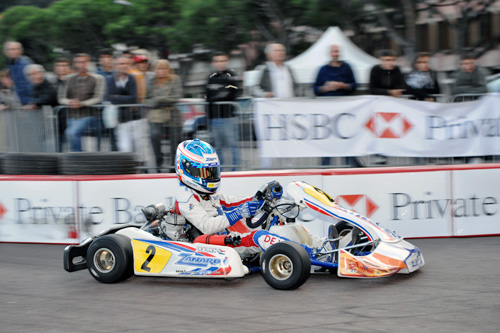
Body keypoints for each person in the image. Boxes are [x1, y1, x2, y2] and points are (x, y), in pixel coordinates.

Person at [175, 139, 288, 258]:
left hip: (224, 239)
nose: (210, 176)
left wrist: (262, 198)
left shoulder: (206, 194)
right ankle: (301, 254)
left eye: (212, 171)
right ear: (187, 170)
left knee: (274, 228)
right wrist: (239, 213)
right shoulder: (186, 197)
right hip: (213, 245)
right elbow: (207, 226)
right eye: (205, 172)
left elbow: (231, 202)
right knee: (260, 237)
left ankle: (302, 250)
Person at [313, 44, 360, 168]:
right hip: (327, 110)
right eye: (334, 51)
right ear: (330, 53)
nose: (336, 53)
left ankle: (349, 165)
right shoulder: (323, 69)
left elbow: (354, 85)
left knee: (346, 136)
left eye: (337, 51)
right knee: (328, 138)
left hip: (344, 110)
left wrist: (342, 85)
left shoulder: (347, 68)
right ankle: (325, 166)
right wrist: (326, 88)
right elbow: (316, 88)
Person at [58, 53, 105, 152]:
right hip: (71, 114)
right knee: (71, 137)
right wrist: (70, 102)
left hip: (89, 114)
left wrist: (82, 103)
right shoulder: (68, 78)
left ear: (88, 63)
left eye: (84, 62)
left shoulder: (98, 78)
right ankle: (78, 157)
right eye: (78, 62)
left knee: (71, 133)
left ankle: (78, 157)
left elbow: (98, 97)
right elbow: (61, 98)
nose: (81, 65)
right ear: (74, 64)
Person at [144, 59, 183, 173]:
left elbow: (176, 97)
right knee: (154, 135)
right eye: (159, 68)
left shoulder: (175, 80)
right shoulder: (151, 82)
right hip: (156, 115)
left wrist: (159, 100)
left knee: (174, 143)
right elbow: (146, 100)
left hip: (173, 115)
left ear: (168, 69)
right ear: (154, 70)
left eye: (164, 68)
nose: (162, 71)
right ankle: (158, 162)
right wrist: (158, 102)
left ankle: (173, 167)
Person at [205, 52, 240, 170]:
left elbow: (232, 93)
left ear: (226, 62)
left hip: (228, 116)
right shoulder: (210, 78)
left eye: (223, 60)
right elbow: (207, 96)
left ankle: (236, 169)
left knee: (233, 145)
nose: (220, 63)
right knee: (217, 146)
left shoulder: (231, 75)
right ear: (213, 63)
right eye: (218, 61)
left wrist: (216, 97)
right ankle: (219, 170)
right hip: (214, 117)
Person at [105, 55, 138, 153]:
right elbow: (110, 98)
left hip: (131, 118)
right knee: (120, 146)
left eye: (127, 64)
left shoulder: (132, 79)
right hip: (116, 117)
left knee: (133, 146)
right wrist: (123, 98)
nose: (124, 66)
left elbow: (133, 98)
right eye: (121, 63)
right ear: (116, 66)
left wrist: (116, 97)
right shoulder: (111, 79)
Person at [53, 57, 73, 152]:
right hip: (56, 118)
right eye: (60, 66)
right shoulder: (51, 82)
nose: (63, 68)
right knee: (58, 144)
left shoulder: (73, 81)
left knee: (71, 142)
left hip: (71, 116)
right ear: (55, 68)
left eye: (65, 66)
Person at [3, 41, 33, 105]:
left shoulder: (24, 64)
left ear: (21, 51)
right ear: (6, 52)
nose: (15, 51)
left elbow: (26, 85)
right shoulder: (12, 64)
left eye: (17, 49)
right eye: (12, 49)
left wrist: (29, 102)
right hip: (22, 100)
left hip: (28, 102)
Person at [0, 69, 22, 152]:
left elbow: (16, 102)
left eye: (4, 78)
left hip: (21, 123)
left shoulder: (17, 88)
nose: (2, 80)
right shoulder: (10, 89)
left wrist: (6, 103)